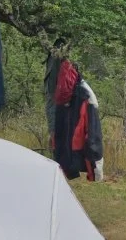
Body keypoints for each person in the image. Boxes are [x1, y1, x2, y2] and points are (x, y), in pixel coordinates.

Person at [44, 43, 104, 181]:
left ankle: (60, 176)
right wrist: (96, 171)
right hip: (74, 152)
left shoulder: (68, 93)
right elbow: (93, 134)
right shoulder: (85, 95)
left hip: (64, 152)